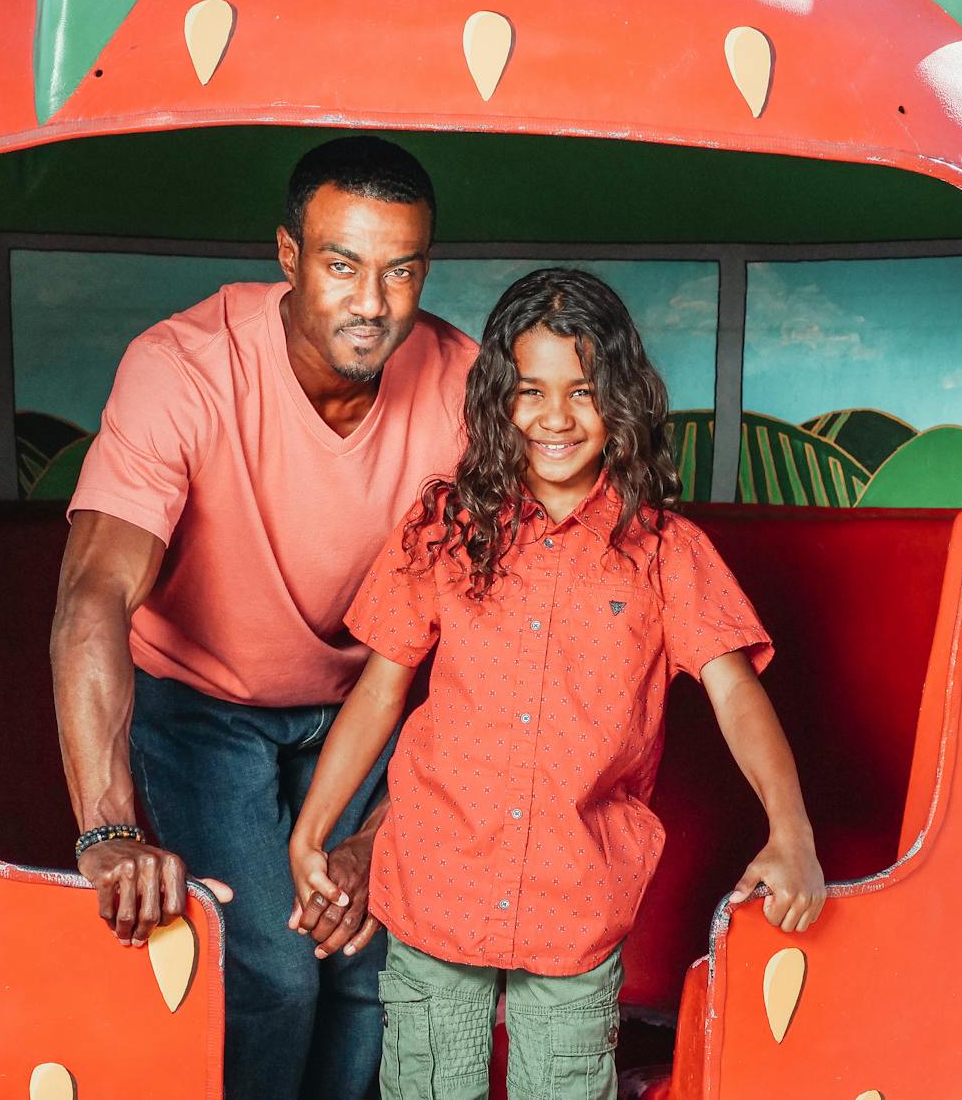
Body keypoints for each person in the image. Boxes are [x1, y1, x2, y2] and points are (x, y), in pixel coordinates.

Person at [286, 268, 827, 1100]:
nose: (556, 418)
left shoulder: (666, 552)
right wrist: (313, 830)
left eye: (583, 392)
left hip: (578, 899)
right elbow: (379, 690)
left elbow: (735, 695)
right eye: (531, 391)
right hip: (437, 884)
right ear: (497, 400)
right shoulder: (442, 529)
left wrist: (791, 833)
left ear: (622, 400)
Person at [52, 135, 478, 1100]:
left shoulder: (461, 383)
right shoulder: (182, 367)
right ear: (288, 255)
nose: (372, 303)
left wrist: (382, 836)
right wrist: (107, 831)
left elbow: (495, 646)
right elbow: (93, 593)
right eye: (342, 264)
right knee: (276, 972)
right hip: (204, 707)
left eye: (400, 271)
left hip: (370, 707)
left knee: (370, 959)